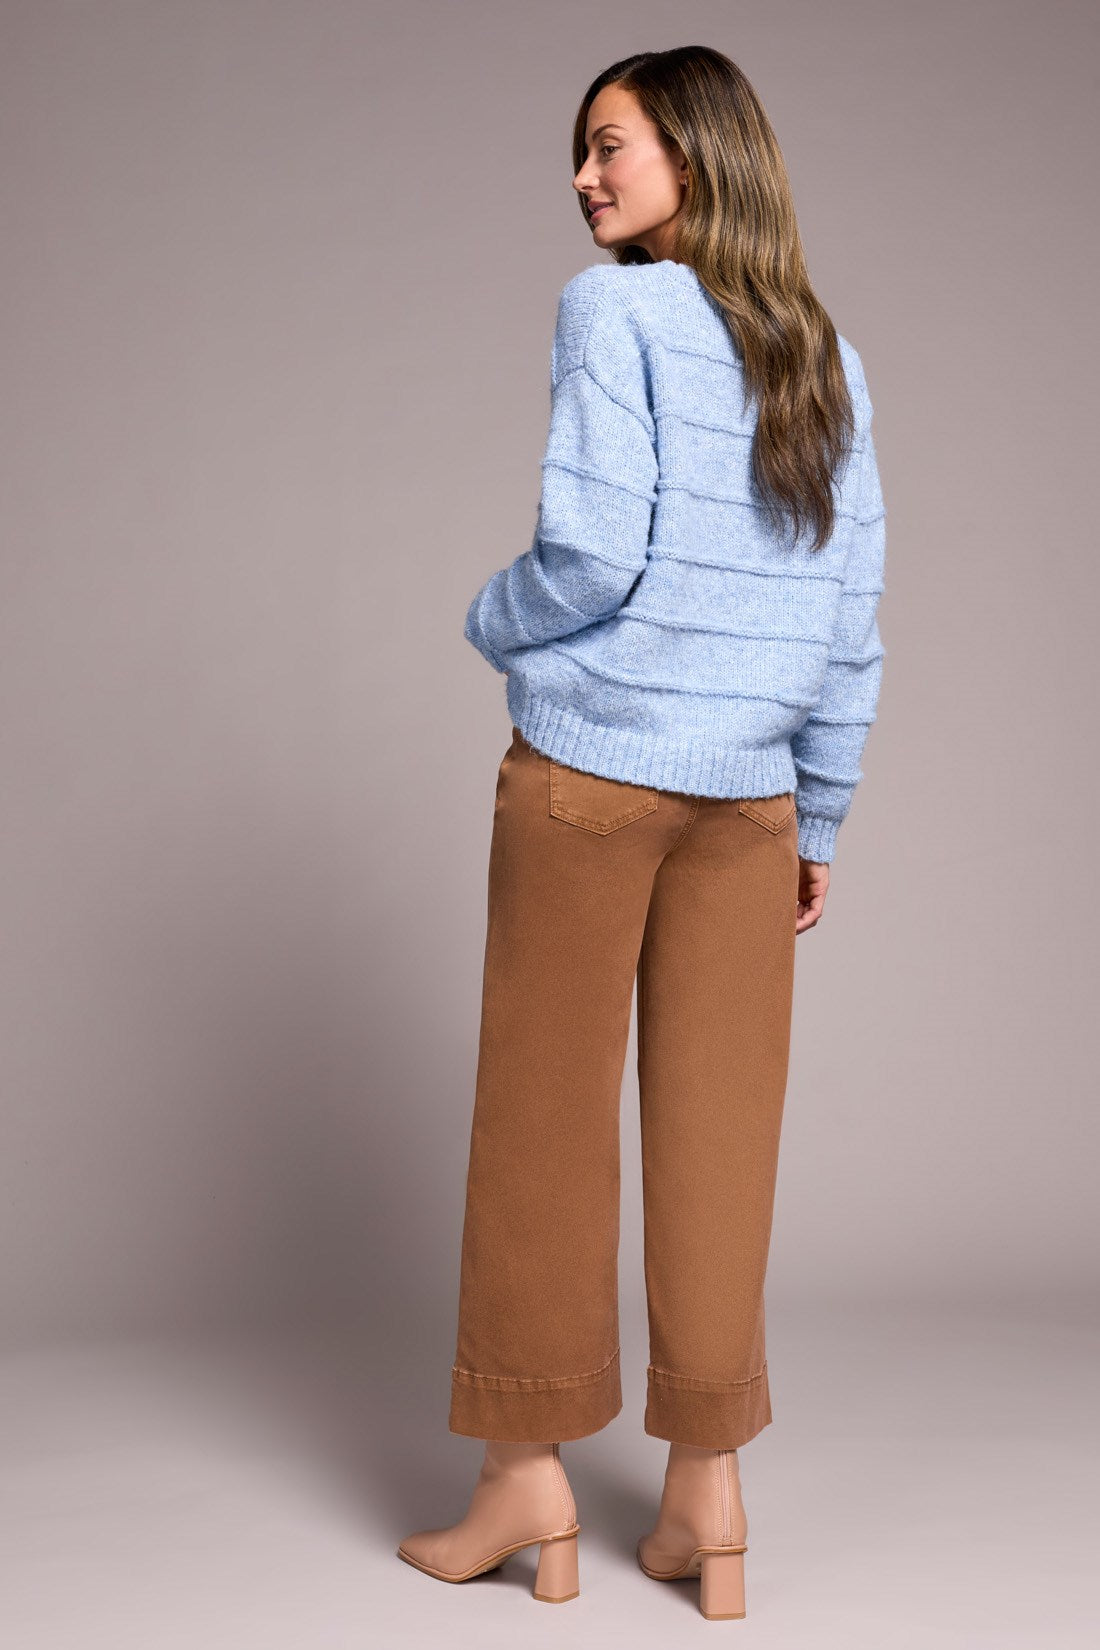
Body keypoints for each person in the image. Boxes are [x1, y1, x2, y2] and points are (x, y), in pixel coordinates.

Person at [397, 44, 886, 1620]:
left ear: (696, 148)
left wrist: (489, 618)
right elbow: (851, 617)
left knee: (540, 1122)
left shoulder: (611, 313)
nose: (585, 177)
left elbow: (592, 549)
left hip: (593, 777)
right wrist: (820, 810)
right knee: (720, 1139)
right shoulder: (827, 354)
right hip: (750, 801)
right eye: (583, 152)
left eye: (611, 145)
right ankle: (707, 1499)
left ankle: (524, 1481)